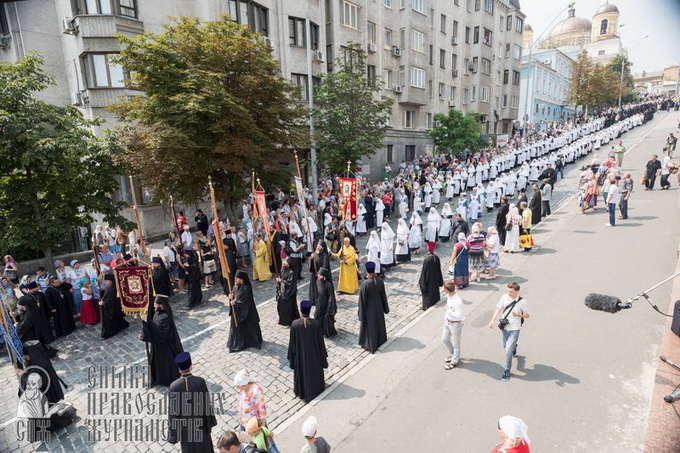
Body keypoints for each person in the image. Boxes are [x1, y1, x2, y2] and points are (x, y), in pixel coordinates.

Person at [168, 352, 217, 453]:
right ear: (191, 366)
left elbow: (173, 413)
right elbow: (206, 404)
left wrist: (174, 434)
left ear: (179, 370)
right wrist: (210, 423)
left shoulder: (174, 386)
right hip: (201, 423)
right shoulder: (200, 382)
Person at [488, 282, 530, 382]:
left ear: (517, 291)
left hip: (514, 329)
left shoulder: (522, 302)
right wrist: (492, 320)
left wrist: (519, 315)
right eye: (508, 291)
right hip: (504, 327)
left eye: (511, 291)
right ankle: (514, 346)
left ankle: (507, 371)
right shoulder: (504, 297)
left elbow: (527, 315)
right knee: (504, 345)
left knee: (508, 352)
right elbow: (498, 308)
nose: (509, 293)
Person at [288, 300, 328, 403]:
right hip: (314, 355)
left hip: (300, 357)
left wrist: (291, 358)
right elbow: (320, 343)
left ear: (301, 310)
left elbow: (292, 344)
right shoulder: (315, 324)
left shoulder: (295, 324)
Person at [141, 296, 184, 386]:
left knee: (165, 364)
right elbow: (155, 327)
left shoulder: (165, 317)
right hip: (158, 346)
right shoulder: (158, 313)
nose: (154, 305)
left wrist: (146, 322)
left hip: (165, 347)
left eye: (155, 304)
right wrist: (147, 324)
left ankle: (165, 379)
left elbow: (160, 332)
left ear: (161, 305)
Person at [358, 262, 389, 354]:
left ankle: (370, 344)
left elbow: (362, 301)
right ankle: (381, 340)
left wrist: (361, 315)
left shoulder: (365, 284)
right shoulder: (379, 281)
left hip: (369, 308)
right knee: (378, 323)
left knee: (371, 326)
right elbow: (383, 295)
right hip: (378, 305)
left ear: (367, 271)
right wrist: (385, 308)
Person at [228, 270, 263, 352]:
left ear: (242, 280)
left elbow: (244, 303)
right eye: (234, 278)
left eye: (236, 279)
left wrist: (235, 303)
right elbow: (234, 297)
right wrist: (231, 298)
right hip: (237, 313)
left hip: (246, 314)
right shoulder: (235, 287)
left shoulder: (246, 289)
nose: (235, 280)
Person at [442, 280, 465, 370]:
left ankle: (454, 361)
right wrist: (446, 316)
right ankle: (453, 355)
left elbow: (459, 316)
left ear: (447, 290)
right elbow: (448, 308)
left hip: (455, 324)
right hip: (447, 322)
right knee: (445, 339)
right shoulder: (449, 297)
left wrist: (448, 310)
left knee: (456, 344)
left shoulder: (458, 301)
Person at [99, 274, 129, 339]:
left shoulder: (111, 290)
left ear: (110, 281)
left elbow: (110, 302)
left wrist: (103, 303)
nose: (105, 283)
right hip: (115, 308)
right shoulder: (111, 287)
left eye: (106, 281)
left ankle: (109, 333)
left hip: (112, 309)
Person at [419, 241, 443, 310]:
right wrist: (440, 281)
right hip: (435, 281)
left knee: (428, 294)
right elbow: (439, 271)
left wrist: (422, 284)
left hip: (428, 282)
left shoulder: (427, 260)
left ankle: (425, 306)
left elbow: (424, 273)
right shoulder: (437, 258)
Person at [276, 257, 300, 327]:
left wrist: (281, 281)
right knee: (280, 307)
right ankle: (282, 320)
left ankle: (288, 322)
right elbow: (280, 280)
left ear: (289, 263)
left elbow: (290, 283)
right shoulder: (282, 270)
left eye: (285, 262)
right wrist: (278, 282)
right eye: (283, 261)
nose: (283, 263)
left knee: (287, 309)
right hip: (282, 292)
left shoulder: (291, 272)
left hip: (289, 293)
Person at [314, 268, 337, 338]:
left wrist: (330, 306)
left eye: (320, 275)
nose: (318, 276)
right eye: (318, 275)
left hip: (326, 303)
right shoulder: (317, 282)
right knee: (317, 316)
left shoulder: (328, 285)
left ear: (324, 276)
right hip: (319, 303)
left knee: (326, 318)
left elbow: (331, 296)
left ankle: (325, 331)